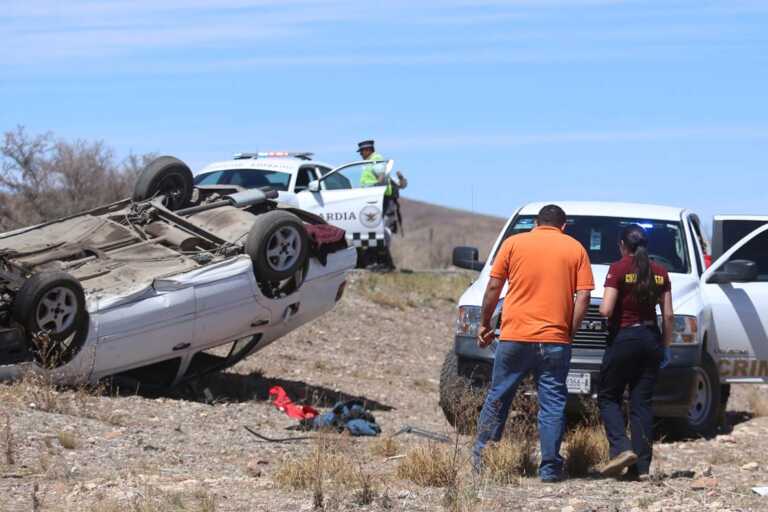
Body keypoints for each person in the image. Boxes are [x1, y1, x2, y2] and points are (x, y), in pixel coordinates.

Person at [472, 204, 594, 482]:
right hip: (554, 340)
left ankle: (481, 460)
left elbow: (493, 286)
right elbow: (584, 297)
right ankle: (550, 469)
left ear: (535, 224)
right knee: (552, 404)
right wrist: (569, 333)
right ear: (563, 226)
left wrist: (485, 323)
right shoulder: (575, 249)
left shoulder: (514, 243)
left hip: (515, 336)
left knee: (499, 396)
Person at [597, 224, 674, 480]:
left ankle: (621, 448)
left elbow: (606, 310)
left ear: (622, 245)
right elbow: (669, 315)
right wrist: (666, 347)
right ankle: (640, 468)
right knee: (641, 404)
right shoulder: (661, 272)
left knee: (608, 396)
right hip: (651, 340)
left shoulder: (618, 268)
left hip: (624, 338)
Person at [356, 140, 407, 271]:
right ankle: (377, 262)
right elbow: (398, 184)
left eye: (362, 152)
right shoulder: (372, 163)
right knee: (375, 232)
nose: (361, 154)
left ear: (368, 150)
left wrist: (374, 189)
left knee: (380, 232)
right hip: (375, 201)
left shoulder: (376, 161)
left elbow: (381, 177)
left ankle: (384, 263)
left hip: (379, 201)